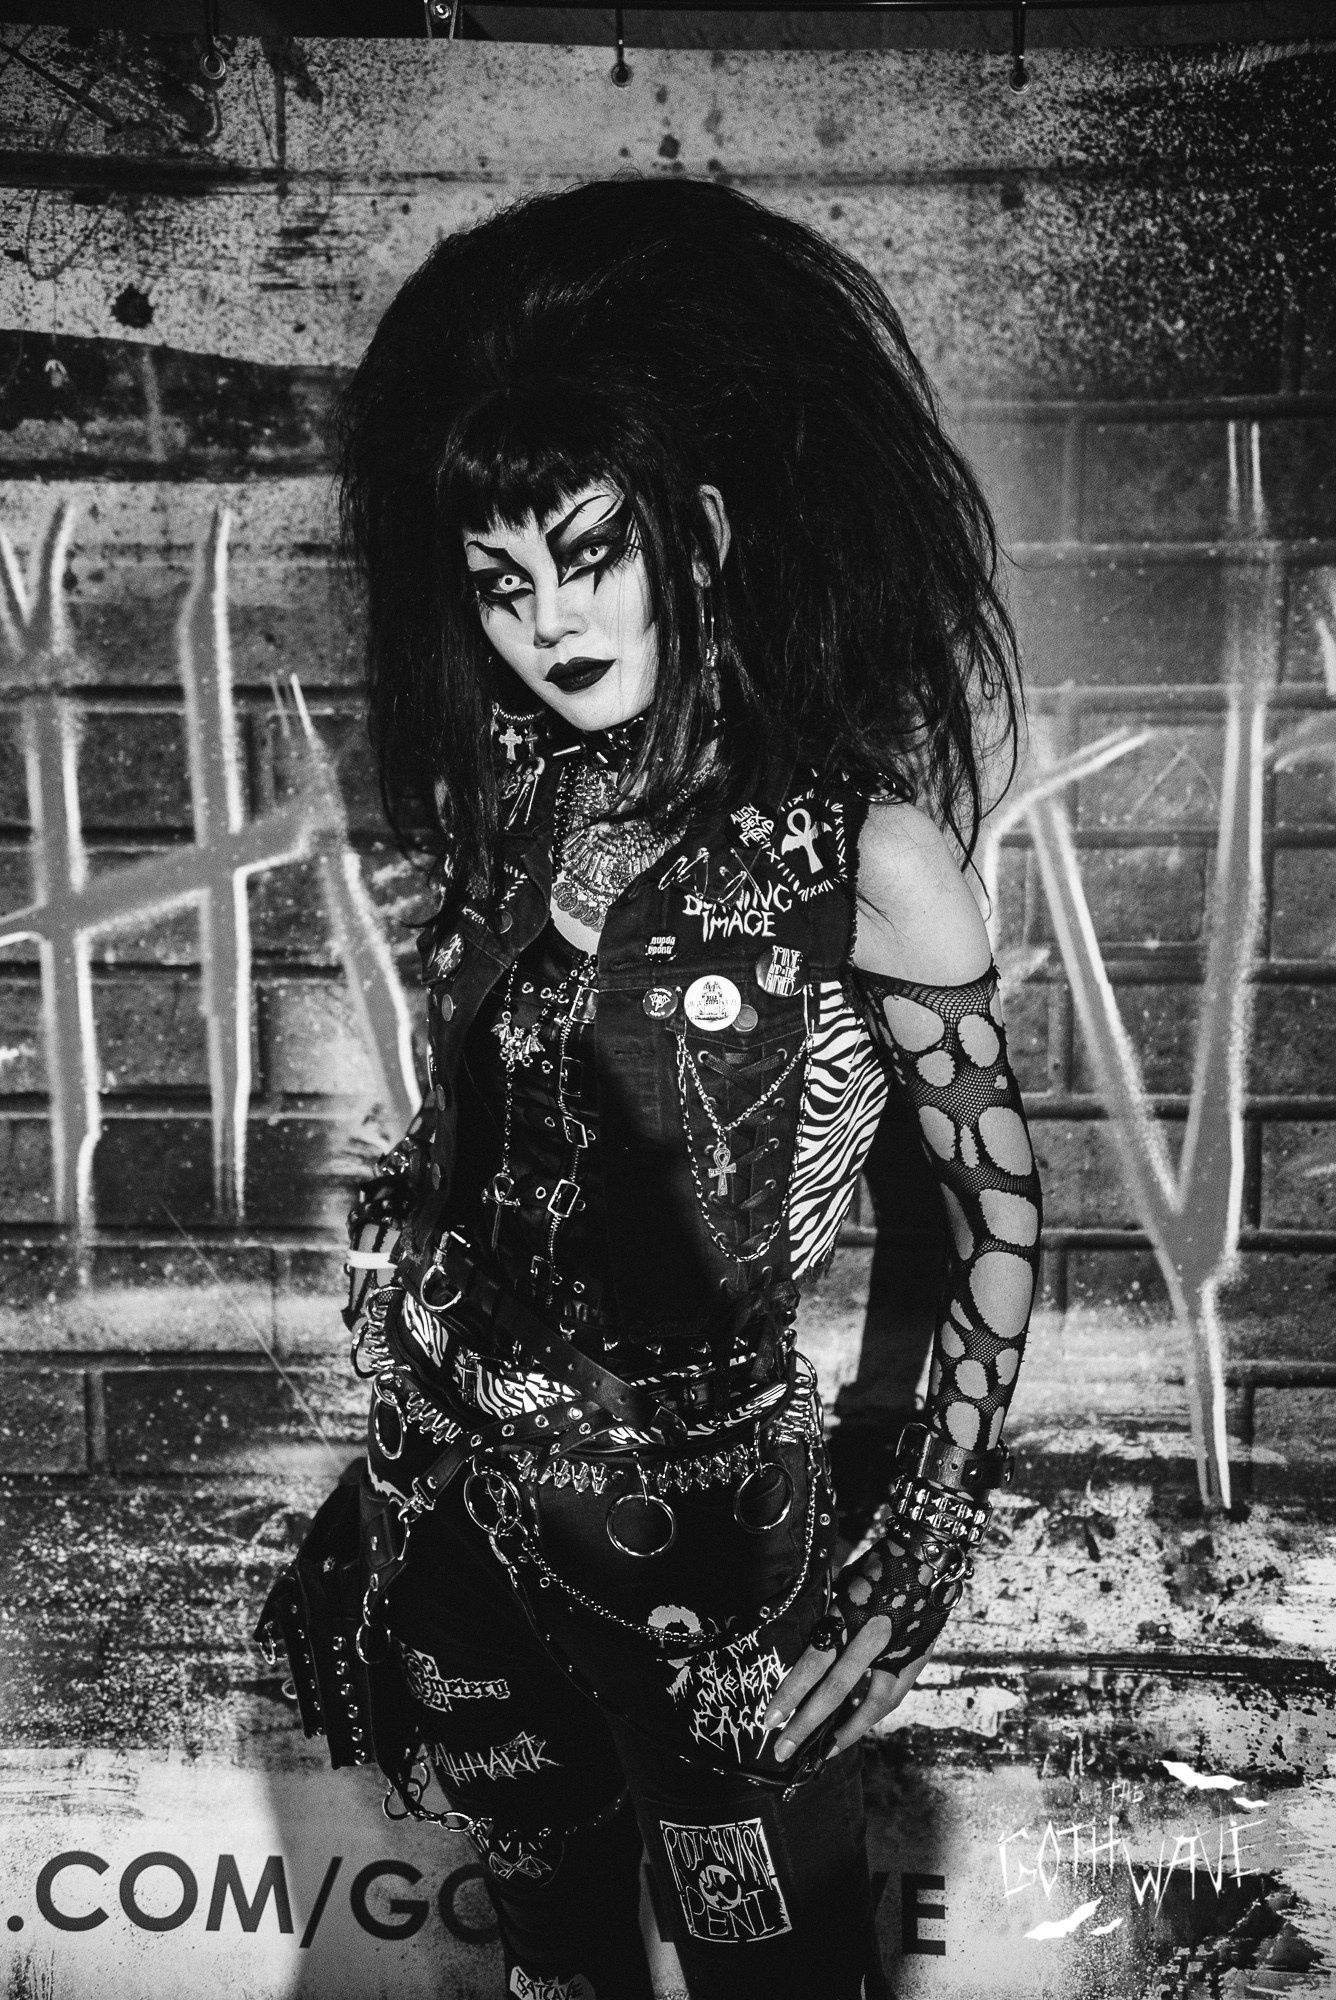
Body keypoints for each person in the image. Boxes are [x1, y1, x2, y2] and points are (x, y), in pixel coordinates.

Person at [329, 176, 1042, 2000]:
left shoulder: (865, 858)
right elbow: (479, 1160)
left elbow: (996, 1231)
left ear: (698, 534)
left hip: (706, 1564)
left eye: (592, 555)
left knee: (767, 1974)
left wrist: (913, 1559)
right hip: (457, 1536)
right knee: (551, 1961)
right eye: (503, 584)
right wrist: (387, 1450)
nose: (550, 622)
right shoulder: (519, 812)